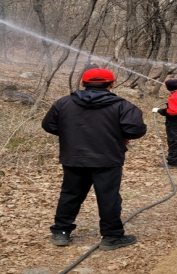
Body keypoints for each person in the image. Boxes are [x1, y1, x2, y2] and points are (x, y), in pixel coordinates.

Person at [42, 68, 147, 251]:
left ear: (83, 83)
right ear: (112, 84)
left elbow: (49, 125)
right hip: (107, 159)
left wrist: (71, 134)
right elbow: (136, 130)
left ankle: (61, 232)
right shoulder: (123, 106)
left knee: (70, 194)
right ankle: (112, 237)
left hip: (74, 157)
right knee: (109, 198)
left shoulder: (63, 103)